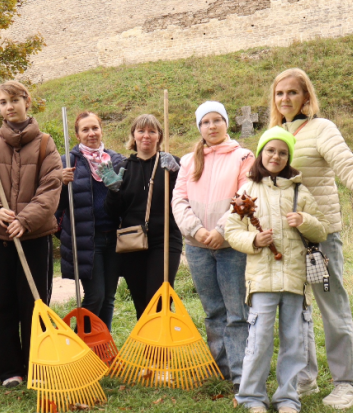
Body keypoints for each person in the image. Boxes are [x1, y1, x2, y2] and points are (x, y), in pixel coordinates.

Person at [270, 68, 353, 408]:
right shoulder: (273, 133)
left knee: (332, 309)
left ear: (306, 97)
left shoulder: (321, 128)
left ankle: (348, 384)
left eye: (292, 93)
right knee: (295, 309)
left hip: (320, 238)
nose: (285, 99)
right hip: (287, 239)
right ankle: (305, 378)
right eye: (279, 93)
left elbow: (349, 168)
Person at [0, 80, 62, 387]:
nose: (9, 106)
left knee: (34, 302)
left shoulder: (45, 143)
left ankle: (37, 364)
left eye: (15, 100)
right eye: (3, 102)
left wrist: (26, 219)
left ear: (26, 101)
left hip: (34, 237)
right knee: (1, 303)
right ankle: (9, 370)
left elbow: (51, 188)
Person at [227, 127, 329, 413]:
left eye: (283, 153)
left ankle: (287, 398)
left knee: (294, 343)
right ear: (261, 154)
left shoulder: (300, 191)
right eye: (271, 150)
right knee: (259, 341)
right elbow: (231, 229)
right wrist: (254, 240)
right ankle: (252, 397)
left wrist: (304, 220)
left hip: (295, 281)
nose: (276, 156)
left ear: (289, 158)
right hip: (262, 281)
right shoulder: (247, 191)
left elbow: (321, 230)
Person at [171, 101, 254, 391]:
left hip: (231, 246)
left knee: (236, 311)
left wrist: (221, 230)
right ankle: (220, 369)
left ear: (226, 123)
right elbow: (179, 199)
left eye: (217, 120)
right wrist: (198, 230)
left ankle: (241, 374)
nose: (212, 126)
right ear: (199, 127)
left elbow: (245, 197)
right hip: (197, 247)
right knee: (213, 310)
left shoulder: (243, 157)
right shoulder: (189, 161)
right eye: (206, 122)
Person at [103, 114, 182, 319]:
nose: (146, 136)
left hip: (165, 239)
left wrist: (177, 172)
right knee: (141, 303)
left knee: (160, 299)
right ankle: (148, 350)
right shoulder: (123, 168)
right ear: (133, 136)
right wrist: (113, 191)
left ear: (159, 136)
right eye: (141, 131)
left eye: (152, 131)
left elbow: (185, 197)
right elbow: (112, 212)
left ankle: (163, 348)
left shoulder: (171, 165)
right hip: (132, 241)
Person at [56, 111, 125, 330]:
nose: (91, 133)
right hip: (88, 239)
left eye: (95, 128)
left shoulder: (116, 160)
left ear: (101, 130)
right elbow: (56, 205)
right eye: (85, 129)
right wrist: (60, 183)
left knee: (109, 297)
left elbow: (127, 199)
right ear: (77, 135)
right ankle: (80, 344)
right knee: (95, 295)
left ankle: (102, 348)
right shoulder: (68, 162)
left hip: (114, 238)